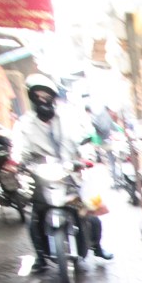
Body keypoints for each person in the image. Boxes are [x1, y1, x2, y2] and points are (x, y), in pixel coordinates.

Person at [13, 74, 112, 271]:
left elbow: (83, 140)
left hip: (69, 177)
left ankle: (97, 246)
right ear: (32, 98)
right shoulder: (24, 124)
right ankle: (40, 256)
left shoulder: (68, 118)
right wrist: (19, 163)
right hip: (42, 179)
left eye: (46, 95)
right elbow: (18, 149)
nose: (43, 100)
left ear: (53, 97)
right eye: (38, 96)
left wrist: (85, 158)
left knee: (89, 211)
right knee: (35, 216)